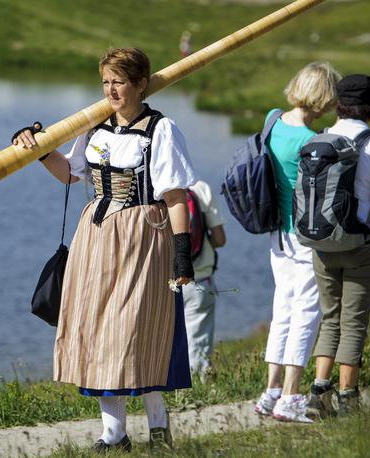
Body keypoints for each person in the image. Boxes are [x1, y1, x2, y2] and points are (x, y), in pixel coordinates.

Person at [13, 48, 196, 452]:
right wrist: (40, 149)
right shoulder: (93, 126)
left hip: (143, 238)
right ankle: (114, 434)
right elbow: (68, 174)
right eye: (106, 83)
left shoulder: (160, 130)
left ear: (141, 84)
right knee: (97, 332)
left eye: (119, 82)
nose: (111, 90)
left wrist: (182, 252)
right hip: (94, 237)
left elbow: (176, 196)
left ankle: (158, 423)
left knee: (136, 331)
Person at [253, 62, 341, 423]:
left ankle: (271, 391)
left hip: (277, 233)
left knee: (282, 310)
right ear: (323, 97)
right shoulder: (311, 142)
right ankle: (290, 397)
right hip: (304, 235)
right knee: (305, 312)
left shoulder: (272, 119)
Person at [306, 74, 370, 417]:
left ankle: (318, 392)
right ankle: (348, 397)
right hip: (361, 243)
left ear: (338, 104)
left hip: (322, 243)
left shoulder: (320, 138)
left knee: (330, 317)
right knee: (354, 320)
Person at [182, 180, 227, 375]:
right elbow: (219, 239)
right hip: (199, 280)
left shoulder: (153, 190)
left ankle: (170, 395)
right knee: (198, 347)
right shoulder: (200, 188)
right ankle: (198, 389)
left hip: (166, 282)